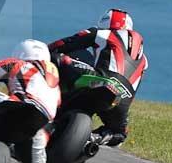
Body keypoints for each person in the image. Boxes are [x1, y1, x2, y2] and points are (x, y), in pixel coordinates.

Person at [48, 9, 148, 147]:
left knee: (58, 58)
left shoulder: (102, 33)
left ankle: (49, 103)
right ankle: (94, 139)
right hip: (122, 100)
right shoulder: (144, 60)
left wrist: (44, 51)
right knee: (120, 134)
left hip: (102, 81)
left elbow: (66, 43)